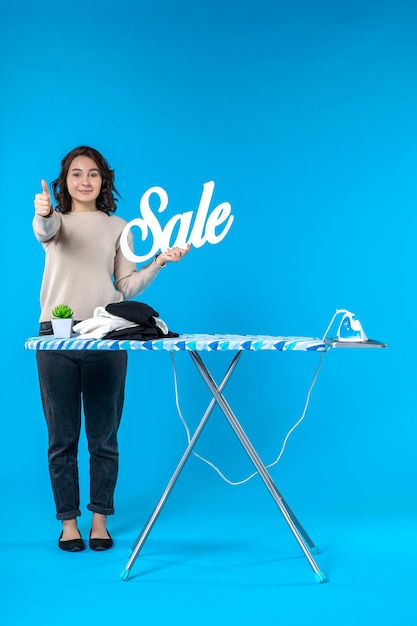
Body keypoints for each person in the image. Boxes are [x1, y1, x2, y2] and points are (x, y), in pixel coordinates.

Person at [33, 146, 190, 552]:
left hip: (106, 335)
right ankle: (69, 523)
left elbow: (125, 287)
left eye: (93, 174)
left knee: (104, 438)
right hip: (56, 337)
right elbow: (44, 232)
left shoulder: (120, 227)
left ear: (104, 181)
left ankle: (100, 519)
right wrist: (45, 212)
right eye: (76, 174)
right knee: (61, 438)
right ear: (64, 181)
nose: (85, 181)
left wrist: (158, 262)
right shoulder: (57, 222)